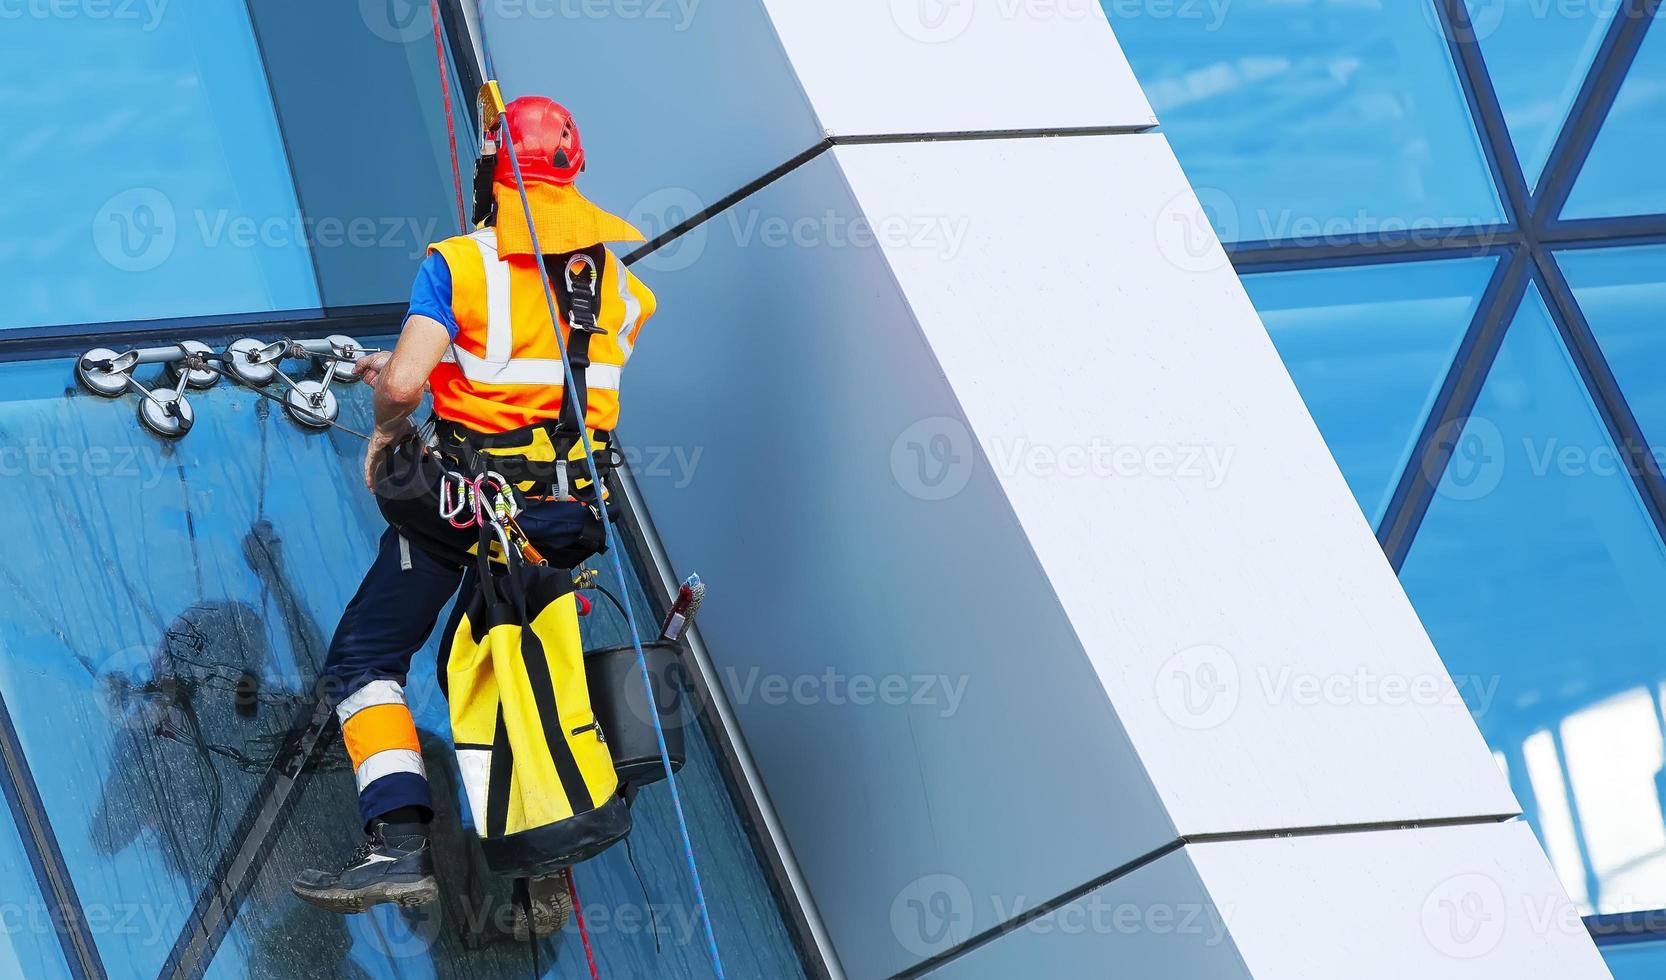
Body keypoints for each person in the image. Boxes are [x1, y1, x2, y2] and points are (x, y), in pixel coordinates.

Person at [291, 92, 655, 915]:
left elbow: (414, 385)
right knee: (519, 677)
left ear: (491, 171)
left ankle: (397, 845)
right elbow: (536, 380)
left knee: (365, 657)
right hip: (561, 520)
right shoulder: (621, 288)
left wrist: (388, 419)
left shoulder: (458, 262)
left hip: (466, 508)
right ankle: (543, 875)